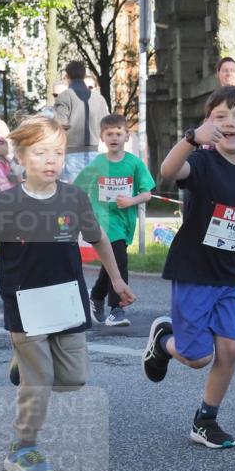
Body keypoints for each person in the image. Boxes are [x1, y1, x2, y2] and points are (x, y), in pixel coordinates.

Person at [0, 115, 135, 471]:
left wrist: (117, 281)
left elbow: (99, 239)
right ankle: (23, 448)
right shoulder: (5, 203)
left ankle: (20, 368)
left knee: (73, 379)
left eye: (57, 152)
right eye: (41, 153)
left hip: (67, 302)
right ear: (21, 157)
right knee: (38, 381)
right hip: (24, 306)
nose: (51, 160)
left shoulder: (73, 198)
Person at [142, 86, 235, 449]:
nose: (231, 123)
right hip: (195, 271)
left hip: (230, 274)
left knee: (230, 350)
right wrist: (191, 140)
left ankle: (205, 420)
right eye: (220, 117)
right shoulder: (202, 163)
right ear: (209, 124)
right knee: (197, 357)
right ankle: (164, 341)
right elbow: (168, 169)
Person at [73, 114, 155, 326]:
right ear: (102, 137)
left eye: (118, 133)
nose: (114, 137)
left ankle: (96, 296)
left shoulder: (134, 164)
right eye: (109, 134)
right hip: (104, 220)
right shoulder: (98, 163)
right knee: (119, 259)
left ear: (127, 136)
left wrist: (131, 201)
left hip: (125, 220)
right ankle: (117, 308)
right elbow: (77, 188)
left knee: (112, 262)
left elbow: (147, 193)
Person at [54, 61, 111, 183]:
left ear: (67, 77)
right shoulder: (99, 98)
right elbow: (107, 125)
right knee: (94, 193)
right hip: (95, 153)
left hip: (72, 154)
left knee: (76, 195)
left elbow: (60, 124)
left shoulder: (64, 96)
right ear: (84, 76)